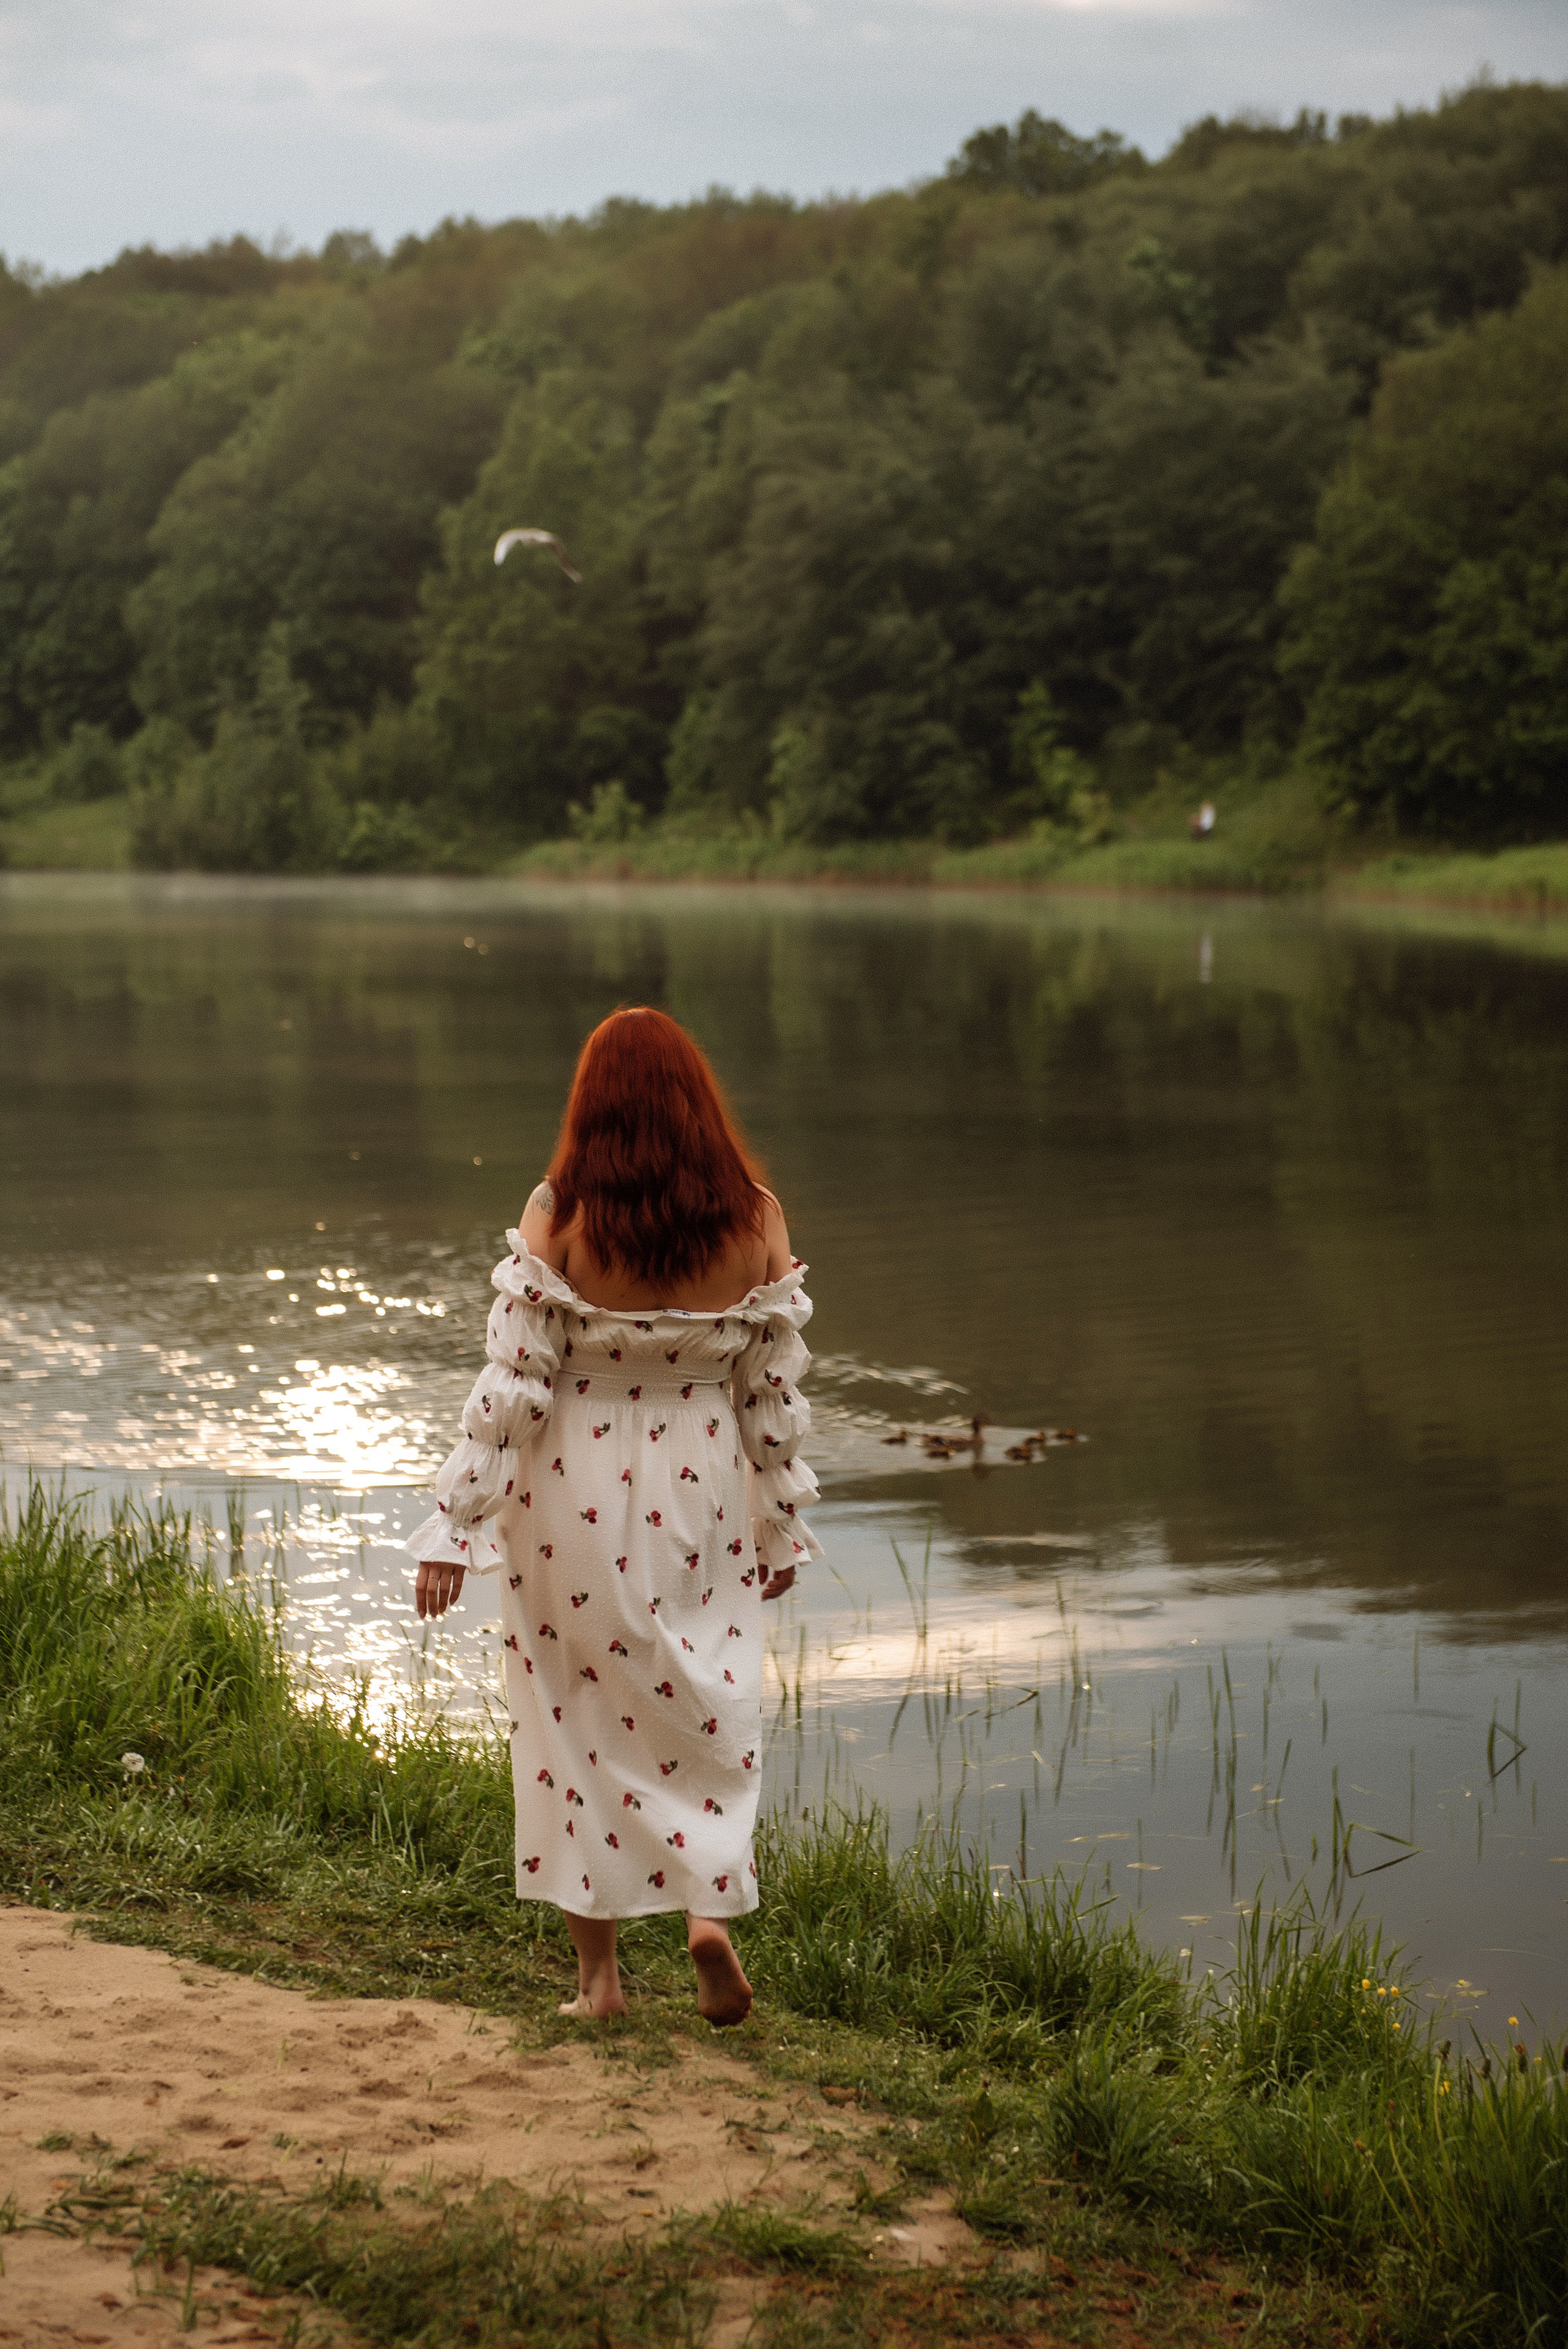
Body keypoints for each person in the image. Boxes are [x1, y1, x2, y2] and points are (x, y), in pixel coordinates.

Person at [405, 1007, 820, 2027]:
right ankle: (707, 1912)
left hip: (574, 1486)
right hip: (702, 1478)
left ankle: (600, 1984)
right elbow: (770, 1395)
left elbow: (515, 1382)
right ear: (696, 1099)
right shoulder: (756, 1217)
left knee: (571, 1718)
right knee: (707, 1698)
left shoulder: (562, 1213)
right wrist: (778, 1523)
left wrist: (457, 1526)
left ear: (593, 1101)